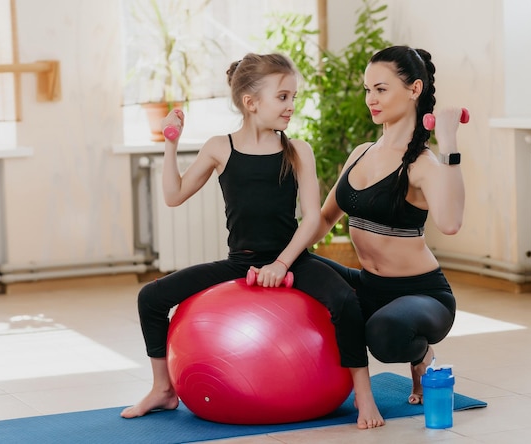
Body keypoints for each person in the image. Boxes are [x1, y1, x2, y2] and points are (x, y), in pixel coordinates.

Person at [121, 53, 384, 429]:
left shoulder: (298, 151)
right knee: (151, 297)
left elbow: (312, 218)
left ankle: (363, 394)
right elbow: (173, 195)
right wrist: (170, 144)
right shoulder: (219, 147)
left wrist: (282, 264)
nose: (291, 106)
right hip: (239, 262)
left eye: (293, 97)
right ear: (251, 102)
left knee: (345, 299)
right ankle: (163, 388)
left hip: (294, 260)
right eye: (282, 97)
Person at [313, 45, 464, 406]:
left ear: (414, 89)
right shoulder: (361, 152)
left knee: (382, 333)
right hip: (367, 285)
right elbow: (323, 219)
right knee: (301, 269)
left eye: (381, 89)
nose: (371, 99)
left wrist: (450, 143)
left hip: (422, 295)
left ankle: (422, 357)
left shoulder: (424, 164)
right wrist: (282, 257)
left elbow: (451, 222)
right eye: (368, 90)